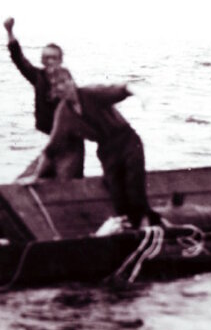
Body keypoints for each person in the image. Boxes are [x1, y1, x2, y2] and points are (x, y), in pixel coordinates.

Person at [23, 66, 161, 229]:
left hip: (128, 141)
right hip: (106, 150)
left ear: (71, 81)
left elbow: (122, 88)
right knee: (116, 193)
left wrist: (142, 95)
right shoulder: (64, 113)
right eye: (54, 86)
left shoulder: (91, 94)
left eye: (62, 83)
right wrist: (36, 176)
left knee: (134, 187)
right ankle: (128, 228)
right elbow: (51, 148)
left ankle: (146, 226)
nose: (59, 88)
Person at [4, 17, 84, 179]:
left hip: (71, 140)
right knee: (32, 178)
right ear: (42, 60)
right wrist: (10, 32)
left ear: (60, 60)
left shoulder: (65, 78)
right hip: (54, 139)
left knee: (66, 180)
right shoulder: (38, 77)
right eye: (46, 58)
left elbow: (77, 104)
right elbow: (19, 59)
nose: (50, 61)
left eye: (53, 57)